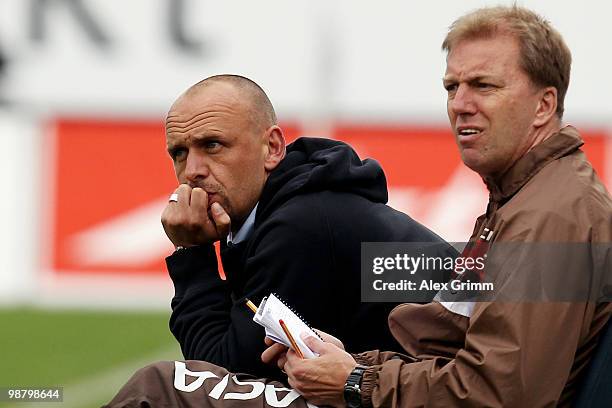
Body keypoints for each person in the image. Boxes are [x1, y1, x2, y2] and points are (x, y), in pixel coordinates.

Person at [104, 6, 611, 408]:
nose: (460, 103)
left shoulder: (551, 216)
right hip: (403, 387)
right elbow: (461, 353)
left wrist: (356, 380)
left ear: (544, 105)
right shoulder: (528, 200)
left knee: (163, 389)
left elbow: (506, 395)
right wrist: (353, 366)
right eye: (452, 87)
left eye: (484, 86)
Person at [159, 74, 453, 379]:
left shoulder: (300, 226)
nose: (192, 171)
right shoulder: (298, 207)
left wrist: (192, 254)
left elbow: (223, 378)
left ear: (272, 148)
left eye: (213, 145)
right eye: (179, 152)